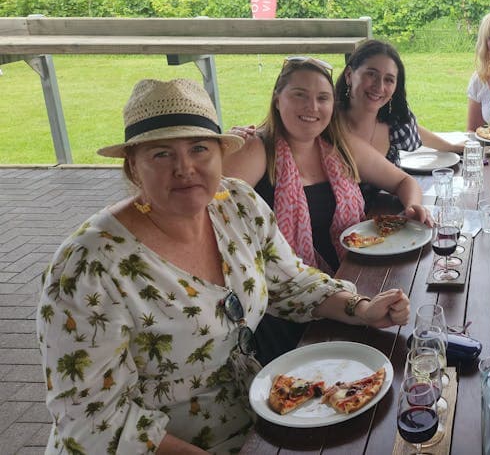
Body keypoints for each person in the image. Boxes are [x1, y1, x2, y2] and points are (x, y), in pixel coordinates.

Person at [37, 78, 411, 454]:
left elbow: (291, 282)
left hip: (259, 422)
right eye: (161, 154)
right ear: (133, 167)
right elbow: (91, 420)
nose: (185, 168)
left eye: (199, 148)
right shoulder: (87, 267)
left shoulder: (236, 204)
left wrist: (361, 307)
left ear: (220, 153)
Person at [223, 56, 429, 363]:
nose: (312, 107)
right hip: (289, 308)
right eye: (299, 96)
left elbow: (402, 181)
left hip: (355, 279)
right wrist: (225, 151)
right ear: (278, 99)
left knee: (412, 340)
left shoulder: (339, 145)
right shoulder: (259, 149)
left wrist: (413, 207)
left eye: (322, 98)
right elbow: (205, 209)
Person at [333, 39, 465, 201]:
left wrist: (451, 147)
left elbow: (416, 131)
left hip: (383, 220)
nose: (379, 87)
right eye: (371, 74)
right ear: (349, 75)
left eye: (388, 79)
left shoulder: (392, 123)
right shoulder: (327, 124)